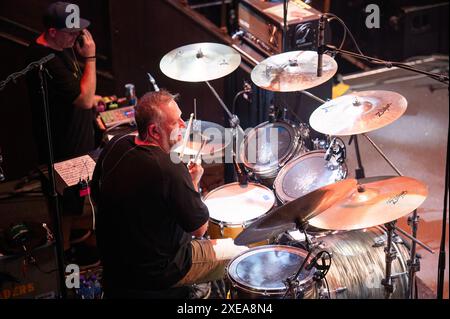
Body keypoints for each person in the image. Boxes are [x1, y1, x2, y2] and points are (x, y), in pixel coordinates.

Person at [91, 90, 248, 298]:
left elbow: (96, 194)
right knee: (240, 253)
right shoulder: (169, 169)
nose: (184, 125)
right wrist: (193, 183)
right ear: (155, 131)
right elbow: (199, 229)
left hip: (114, 263)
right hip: (159, 270)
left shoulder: (115, 144)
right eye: (176, 122)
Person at [25, 2, 100, 267]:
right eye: (70, 32)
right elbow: (83, 99)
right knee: (66, 207)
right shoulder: (43, 59)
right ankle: (66, 256)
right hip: (63, 149)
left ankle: (77, 244)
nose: (76, 37)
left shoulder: (62, 48)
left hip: (77, 142)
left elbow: (75, 93)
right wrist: (90, 58)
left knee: (77, 201)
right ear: (52, 32)